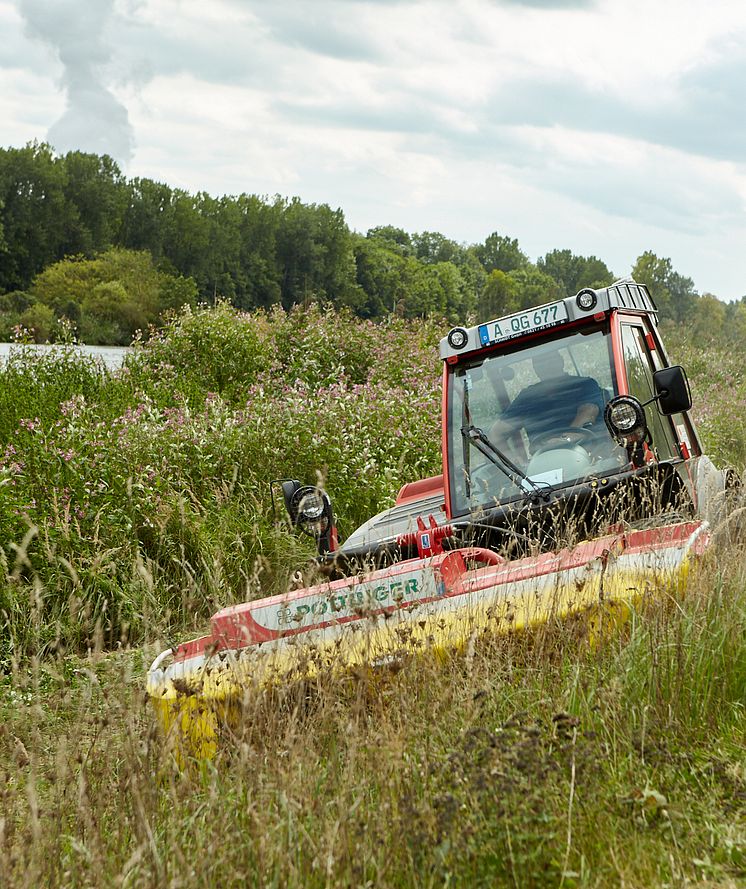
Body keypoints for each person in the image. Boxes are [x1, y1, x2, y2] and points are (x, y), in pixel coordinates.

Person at [490, 349, 605, 453]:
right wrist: (513, 466)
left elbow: (588, 412)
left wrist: (564, 441)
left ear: (561, 361)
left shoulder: (585, 385)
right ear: (535, 368)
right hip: (544, 464)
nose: (546, 366)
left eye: (550, 361)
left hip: (590, 458)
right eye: (540, 363)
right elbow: (496, 434)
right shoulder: (527, 398)